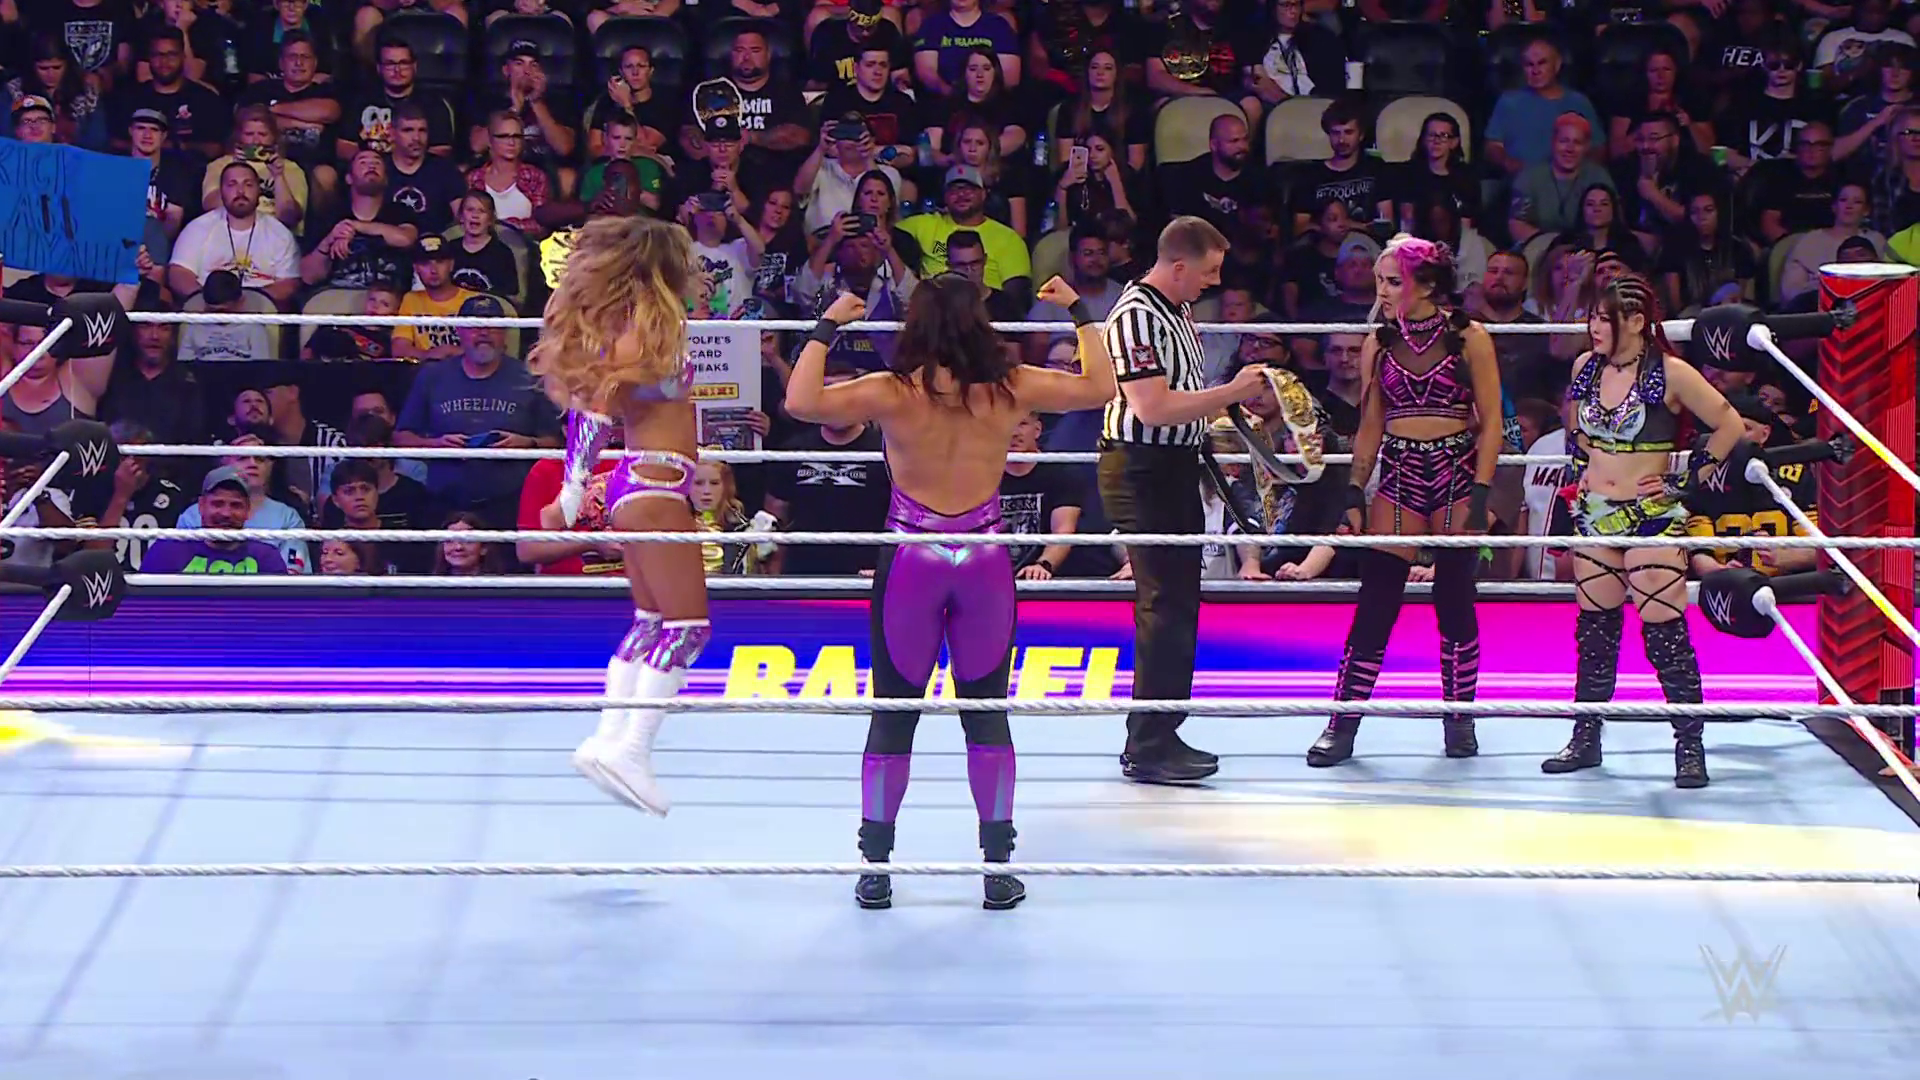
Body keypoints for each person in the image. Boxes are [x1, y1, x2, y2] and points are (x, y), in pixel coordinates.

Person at [784, 273, 1117, 911]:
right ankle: (997, 870)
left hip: (912, 557)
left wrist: (829, 326)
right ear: (979, 325)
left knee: (894, 713)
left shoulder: (892, 391)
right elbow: (1100, 387)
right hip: (984, 559)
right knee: (986, 713)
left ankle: (875, 868)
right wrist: (1079, 309)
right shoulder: (1010, 387)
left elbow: (800, 401)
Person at [529, 216, 705, 817]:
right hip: (655, 484)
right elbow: (596, 406)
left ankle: (607, 740)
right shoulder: (646, 330)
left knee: (651, 619)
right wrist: (572, 490)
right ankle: (631, 750)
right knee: (687, 628)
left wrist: (576, 487)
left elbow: (591, 402)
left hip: (642, 481)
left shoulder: (626, 325)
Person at [1308, 235, 1505, 767]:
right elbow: (1371, 422)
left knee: (1454, 599)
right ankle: (1342, 724)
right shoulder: (1380, 341)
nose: (1383, 291)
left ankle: (1459, 720)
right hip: (1400, 472)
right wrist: (1355, 489)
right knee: (1376, 600)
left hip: (1456, 469)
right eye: (1380, 281)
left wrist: (1481, 491)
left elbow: (1492, 422)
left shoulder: (1469, 337)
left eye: (1393, 281)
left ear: (1427, 284)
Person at [1544, 274, 1744, 788]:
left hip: (1650, 514)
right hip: (1595, 513)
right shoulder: (1585, 367)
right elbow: (1576, 434)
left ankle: (1689, 747)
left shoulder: (1671, 373)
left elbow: (1729, 425)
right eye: (1591, 317)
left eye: (1603, 318)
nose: (1593, 327)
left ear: (1635, 322)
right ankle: (1585, 738)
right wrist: (1579, 483)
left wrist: (1685, 479)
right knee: (1595, 634)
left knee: (1664, 635)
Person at [1098, 217, 1271, 785]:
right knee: (1163, 603)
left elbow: (1185, 401)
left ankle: (1163, 731)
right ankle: (1148, 743)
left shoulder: (1179, 310)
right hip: (1141, 468)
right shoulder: (1135, 316)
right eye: (1209, 271)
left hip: (1176, 465)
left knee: (1179, 601)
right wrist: (1232, 391)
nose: (1214, 282)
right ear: (1178, 266)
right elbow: (1152, 408)